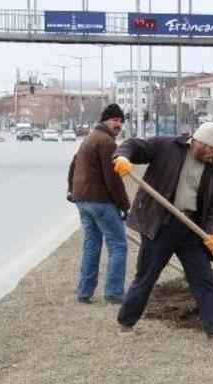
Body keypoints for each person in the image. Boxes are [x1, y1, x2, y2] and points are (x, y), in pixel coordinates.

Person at [111, 122, 213, 344]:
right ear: (200, 142)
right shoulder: (166, 146)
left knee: (204, 279)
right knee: (147, 277)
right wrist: (122, 157)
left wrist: (212, 232)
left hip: (191, 229)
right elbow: (132, 146)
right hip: (160, 225)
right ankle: (125, 322)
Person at [66, 104, 130, 305]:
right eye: (115, 120)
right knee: (118, 244)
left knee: (92, 244)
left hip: (82, 200)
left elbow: (73, 165)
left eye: (121, 121)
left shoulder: (90, 138)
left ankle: (84, 292)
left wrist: (71, 190)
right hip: (99, 201)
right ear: (105, 120)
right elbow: (113, 179)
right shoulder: (107, 143)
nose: (118, 124)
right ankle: (114, 292)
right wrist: (124, 205)